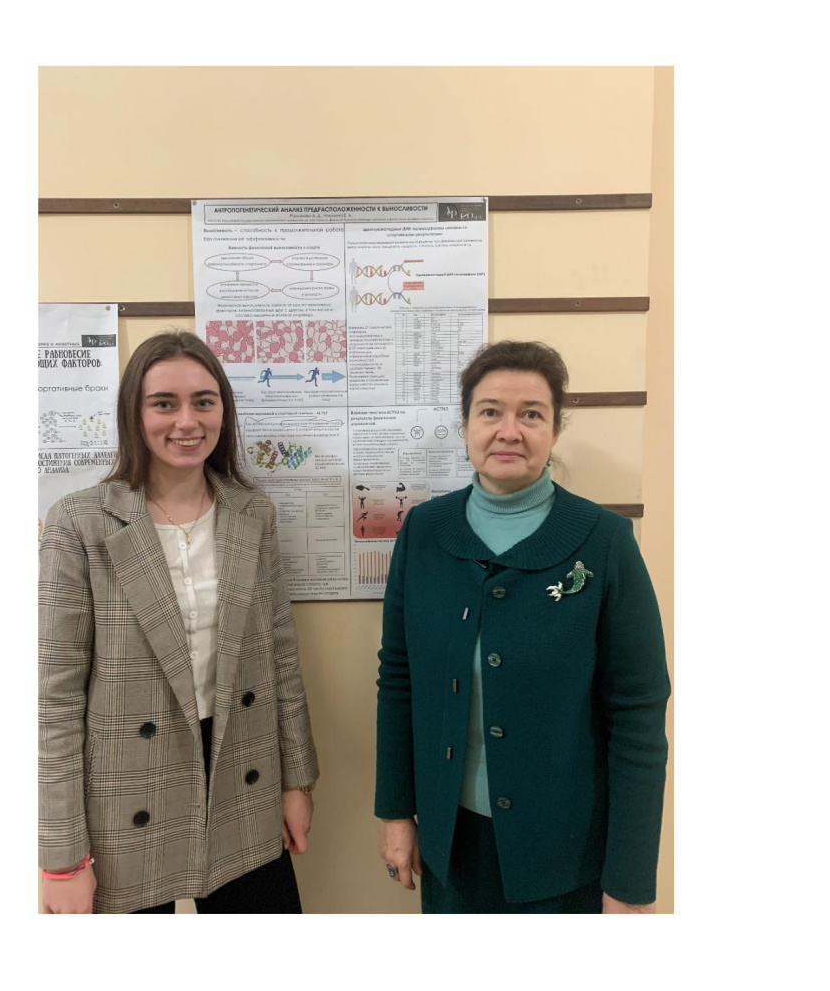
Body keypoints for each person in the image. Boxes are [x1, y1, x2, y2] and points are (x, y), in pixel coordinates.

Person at [374, 340, 670, 913]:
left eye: (531, 414)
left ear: (555, 430)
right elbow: (399, 679)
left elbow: (638, 716)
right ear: (466, 425)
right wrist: (395, 813)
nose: (508, 431)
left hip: (568, 854)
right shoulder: (424, 532)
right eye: (490, 412)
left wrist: (630, 882)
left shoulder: (605, 542)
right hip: (451, 845)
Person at [40, 330, 319, 913]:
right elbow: (55, 698)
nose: (187, 421)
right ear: (134, 414)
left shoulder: (252, 512)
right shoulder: (80, 521)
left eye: (204, 402)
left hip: (242, 766)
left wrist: (297, 782)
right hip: (126, 785)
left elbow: (281, 658)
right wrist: (61, 857)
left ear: (223, 411)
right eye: (164, 403)